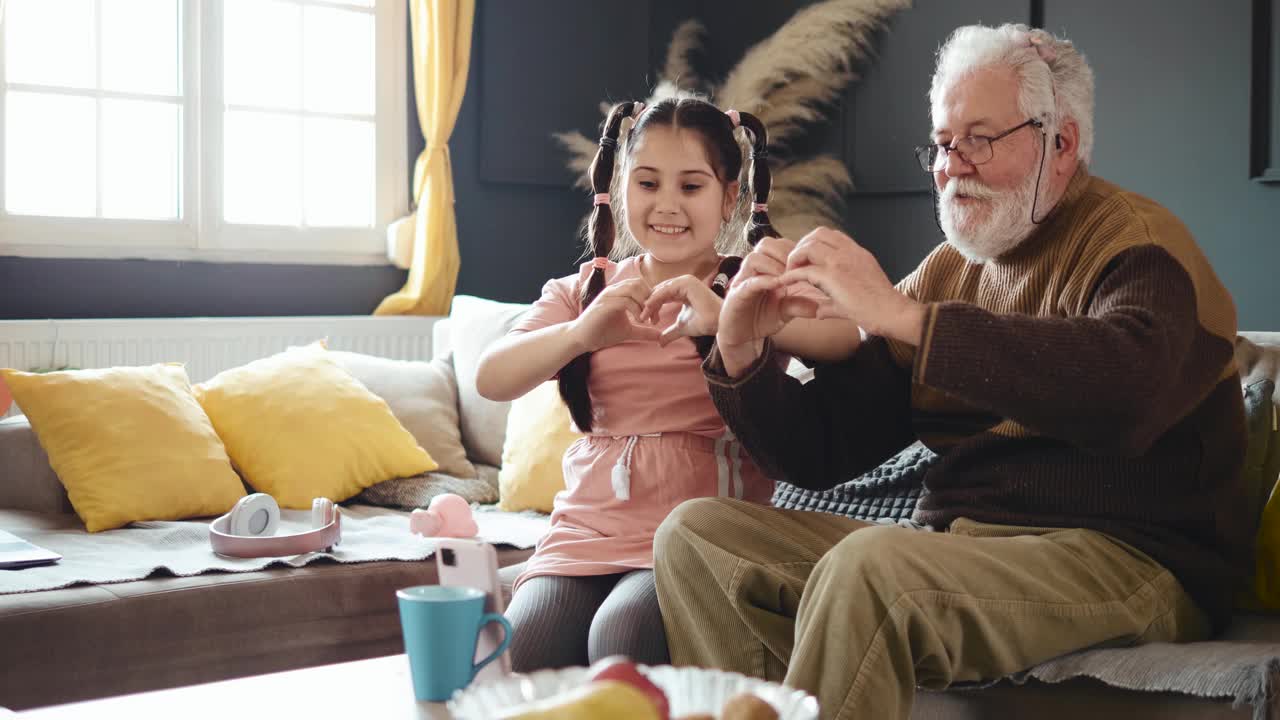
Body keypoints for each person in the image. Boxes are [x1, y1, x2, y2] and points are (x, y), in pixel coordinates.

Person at [654, 23, 1248, 719]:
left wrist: (902, 318)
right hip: (968, 546)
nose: (950, 165)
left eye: (979, 139)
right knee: (695, 538)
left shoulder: (1139, 245)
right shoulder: (950, 268)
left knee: (872, 570)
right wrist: (743, 350)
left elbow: (1126, 397)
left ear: (1061, 144)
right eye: (941, 143)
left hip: (1133, 558)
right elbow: (823, 451)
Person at [475, 97, 859, 671]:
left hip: (692, 539)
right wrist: (582, 334)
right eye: (648, 183)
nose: (667, 205)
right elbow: (491, 375)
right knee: (517, 653)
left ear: (730, 198)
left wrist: (731, 318)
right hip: (586, 529)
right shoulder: (585, 291)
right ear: (620, 188)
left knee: (621, 635)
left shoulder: (747, 285)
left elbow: (844, 337)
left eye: (691, 187)